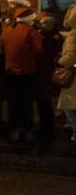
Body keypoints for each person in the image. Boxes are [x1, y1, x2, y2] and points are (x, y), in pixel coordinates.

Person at [0, 0, 43, 143]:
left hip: (10, 71)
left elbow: (2, 50)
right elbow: (38, 51)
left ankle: (15, 130)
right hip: (27, 70)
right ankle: (27, 129)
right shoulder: (32, 31)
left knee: (13, 102)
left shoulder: (7, 30)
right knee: (26, 102)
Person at [35, 11, 63, 148]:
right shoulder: (46, 38)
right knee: (44, 101)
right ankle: (46, 124)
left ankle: (48, 126)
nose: (43, 25)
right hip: (44, 74)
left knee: (47, 101)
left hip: (48, 74)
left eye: (46, 23)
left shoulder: (53, 39)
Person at [56, 4, 76, 155]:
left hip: (73, 77)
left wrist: (60, 61)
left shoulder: (73, 35)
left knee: (69, 106)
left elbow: (69, 57)